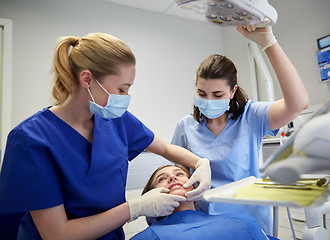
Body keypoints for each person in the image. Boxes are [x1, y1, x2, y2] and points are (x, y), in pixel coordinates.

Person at [0, 33, 211, 240]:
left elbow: (165, 149)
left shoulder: (116, 119)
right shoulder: (31, 140)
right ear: (87, 79)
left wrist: (200, 163)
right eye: (121, 89)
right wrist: (134, 208)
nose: (126, 98)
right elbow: (57, 234)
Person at [171, 25, 309, 235]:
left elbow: (298, 103)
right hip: (206, 225)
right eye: (201, 93)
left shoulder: (251, 116)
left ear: (232, 91)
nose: (208, 101)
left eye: (217, 95)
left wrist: (269, 43)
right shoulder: (186, 126)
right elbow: (179, 178)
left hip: (250, 223)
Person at [131, 164, 277, 240]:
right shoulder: (150, 236)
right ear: (150, 195)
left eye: (179, 174)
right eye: (162, 179)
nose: (172, 178)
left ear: (196, 184)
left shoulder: (242, 220)